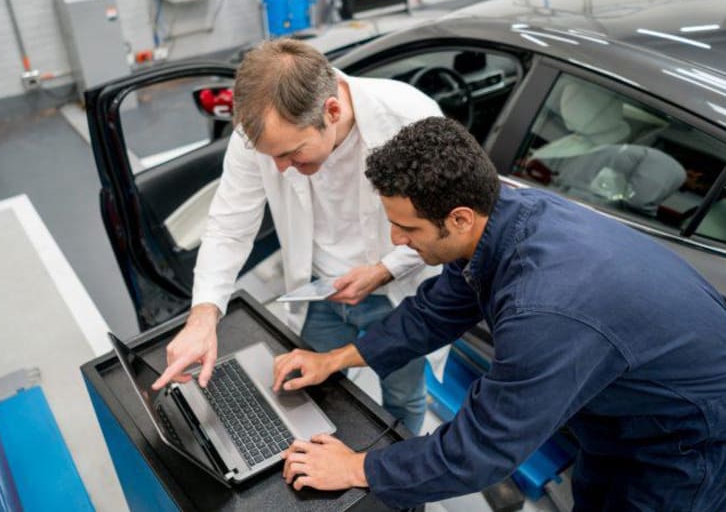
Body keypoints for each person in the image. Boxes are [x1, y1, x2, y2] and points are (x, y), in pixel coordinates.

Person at [275, 116, 726, 510]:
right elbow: (436, 310)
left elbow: (482, 449)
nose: (395, 240)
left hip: (685, 442)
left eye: (407, 227)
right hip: (620, 417)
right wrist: (335, 358)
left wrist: (358, 467)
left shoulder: (545, 310)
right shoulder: (506, 216)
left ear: (459, 219)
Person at [151, 38, 442, 434]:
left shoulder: (410, 117)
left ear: (332, 111)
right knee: (314, 388)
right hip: (320, 293)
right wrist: (202, 317)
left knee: (402, 395)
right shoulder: (257, 138)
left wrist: (384, 270)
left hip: (399, 292)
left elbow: (442, 226)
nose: (281, 168)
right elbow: (228, 226)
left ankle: (407, 483)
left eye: (292, 154)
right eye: (272, 157)